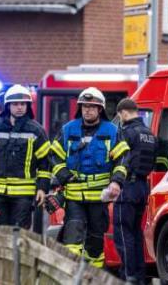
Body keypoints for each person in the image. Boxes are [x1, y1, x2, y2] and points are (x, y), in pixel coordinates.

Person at [49, 87, 129, 268]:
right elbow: (53, 155)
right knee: (72, 242)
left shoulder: (112, 131)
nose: (88, 110)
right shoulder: (68, 129)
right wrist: (63, 174)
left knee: (95, 244)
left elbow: (123, 158)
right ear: (80, 108)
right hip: (74, 198)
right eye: (85, 106)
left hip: (98, 198)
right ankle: (70, 277)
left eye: (92, 107)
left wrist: (116, 181)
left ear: (100, 109)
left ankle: (94, 277)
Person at [0, 84, 51, 229]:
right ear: (8, 106)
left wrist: (42, 188)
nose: (19, 107)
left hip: (23, 196)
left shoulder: (36, 131)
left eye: (23, 104)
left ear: (28, 106)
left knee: (19, 235)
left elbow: (45, 164)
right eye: (16, 104)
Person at [113, 98, 157, 284]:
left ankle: (128, 276)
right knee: (136, 233)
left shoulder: (126, 132)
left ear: (123, 113)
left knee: (123, 233)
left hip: (126, 187)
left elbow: (118, 157)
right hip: (142, 188)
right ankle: (139, 277)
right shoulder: (150, 134)